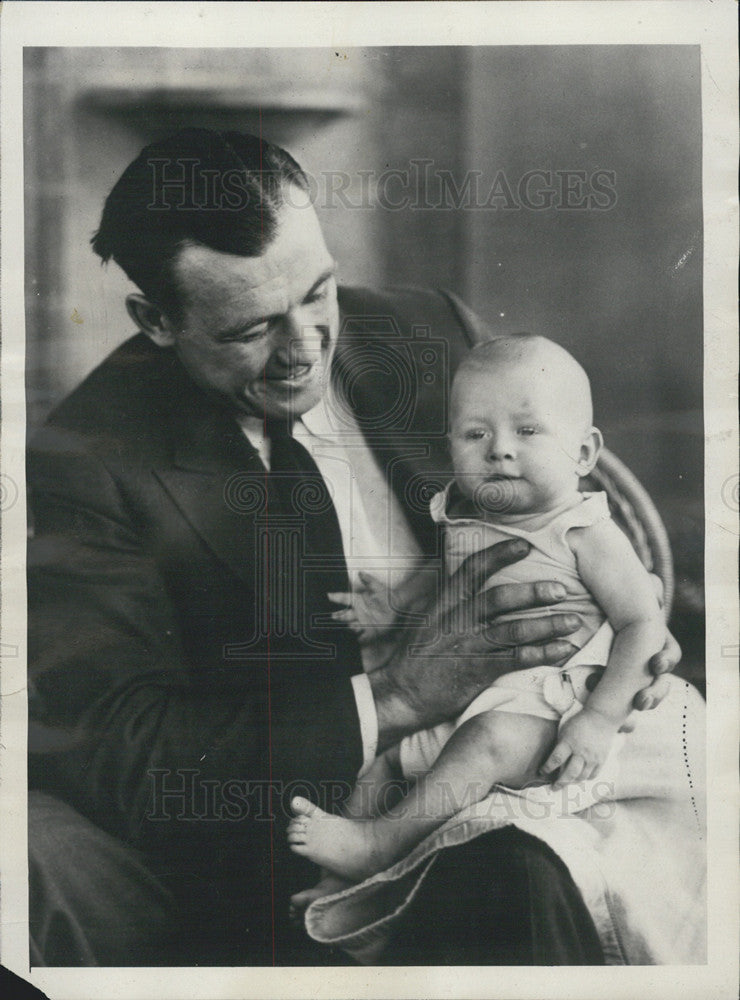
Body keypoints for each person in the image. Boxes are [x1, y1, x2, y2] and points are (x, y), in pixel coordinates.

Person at [26, 128, 678, 966]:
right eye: (249, 331)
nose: (305, 347)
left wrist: (629, 640)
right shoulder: (89, 458)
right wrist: (398, 695)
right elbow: (133, 752)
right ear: (157, 319)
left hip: (549, 743)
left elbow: (574, 501)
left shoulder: (427, 328)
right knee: (514, 877)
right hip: (316, 834)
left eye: (319, 291)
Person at [287, 335, 665, 886]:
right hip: (473, 697)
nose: (499, 450)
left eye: (527, 431)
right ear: (450, 448)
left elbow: (642, 622)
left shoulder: (584, 532)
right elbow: (444, 573)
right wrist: (391, 606)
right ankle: (338, 885)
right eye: (475, 434)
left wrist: (599, 718)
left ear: (583, 453)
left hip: (555, 711)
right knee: (386, 763)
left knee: (482, 742)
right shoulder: (467, 517)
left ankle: (374, 846)